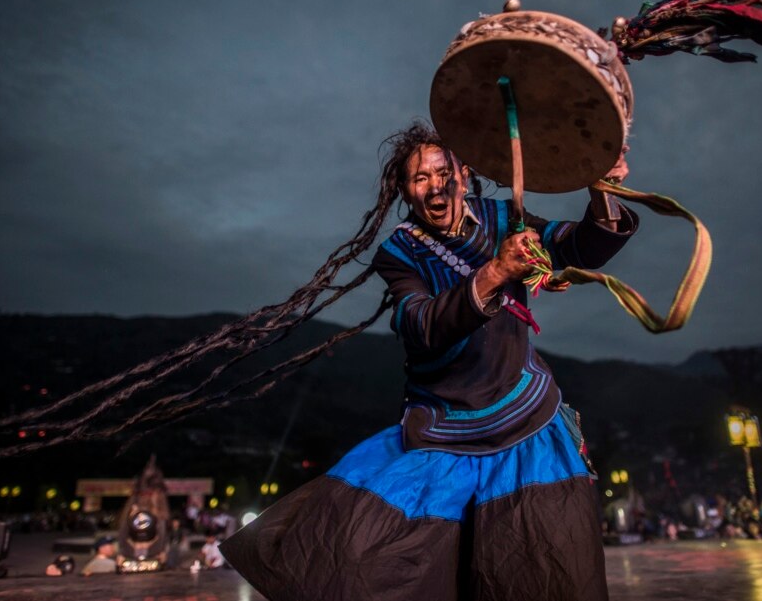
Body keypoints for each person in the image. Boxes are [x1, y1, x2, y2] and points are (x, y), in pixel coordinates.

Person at [221, 123, 637, 601]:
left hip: (526, 424)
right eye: (420, 178)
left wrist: (601, 189)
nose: (435, 186)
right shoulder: (399, 251)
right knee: (360, 562)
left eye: (444, 172)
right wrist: (498, 271)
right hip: (443, 431)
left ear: (464, 174)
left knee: (549, 573)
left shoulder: (506, 217)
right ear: (405, 189)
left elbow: (583, 245)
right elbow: (420, 327)